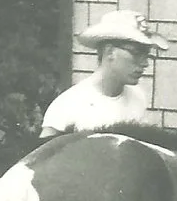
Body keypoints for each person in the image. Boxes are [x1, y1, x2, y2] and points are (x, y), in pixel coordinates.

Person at [40, 10, 168, 137]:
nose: (145, 63)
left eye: (146, 55)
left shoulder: (137, 98)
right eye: (136, 53)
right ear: (110, 52)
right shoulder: (68, 105)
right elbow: (43, 155)